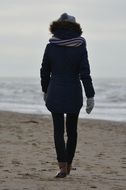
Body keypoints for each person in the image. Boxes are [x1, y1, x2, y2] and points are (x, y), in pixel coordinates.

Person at [40, 13, 95, 178]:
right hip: (73, 92)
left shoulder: (51, 46)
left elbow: (44, 71)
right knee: (72, 131)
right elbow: (85, 73)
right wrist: (90, 95)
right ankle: (69, 165)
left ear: (57, 25)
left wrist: (45, 90)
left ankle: (62, 167)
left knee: (58, 131)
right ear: (75, 26)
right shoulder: (80, 45)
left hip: (55, 91)